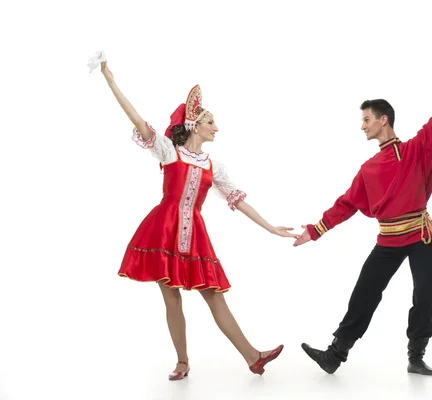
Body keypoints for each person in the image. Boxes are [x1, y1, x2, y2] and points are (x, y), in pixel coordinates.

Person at [93, 54, 295, 380]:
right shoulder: (169, 151)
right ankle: (183, 362)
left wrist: (271, 228)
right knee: (172, 299)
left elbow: (238, 200)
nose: (217, 127)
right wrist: (111, 80)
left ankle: (253, 356)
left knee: (215, 297)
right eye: (211, 122)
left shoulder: (212, 166)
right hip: (163, 228)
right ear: (194, 125)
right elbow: (138, 120)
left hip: (195, 232)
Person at [293, 47, 432, 376]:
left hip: (420, 235)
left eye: (366, 119)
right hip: (388, 240)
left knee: (428, 291)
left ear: (384, 119)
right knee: (364, 292)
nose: (362, 126)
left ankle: (416, 355)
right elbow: (346, 203)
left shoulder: (414, 150)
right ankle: (335, 354)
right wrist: (315, 230)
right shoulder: (368, 168)